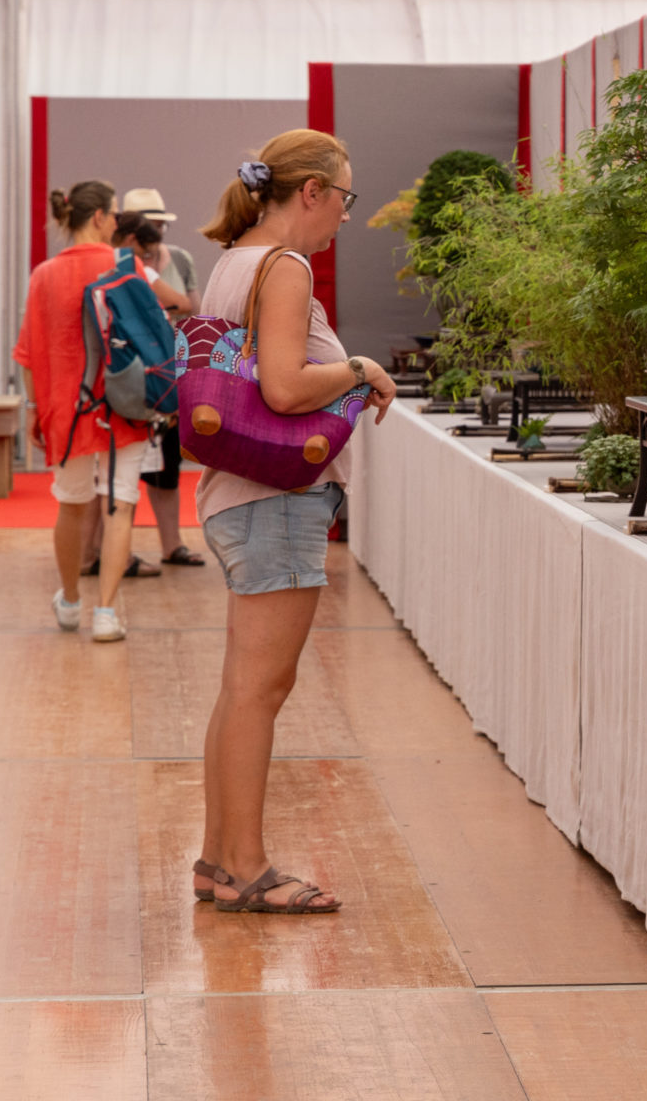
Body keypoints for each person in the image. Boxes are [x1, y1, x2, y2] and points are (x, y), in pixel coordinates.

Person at [194, 130, 396, 915]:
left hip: (242, 494)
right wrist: (359, 370)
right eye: (344, 198)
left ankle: (219, 860)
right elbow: (283, 387)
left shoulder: (235, 260)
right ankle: (247, 867)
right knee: (259, 691)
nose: (345, 215)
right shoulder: (284, 267)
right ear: (310, 192)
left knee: (241, 690)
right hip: (276, 498)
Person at [11, 180, 151, 643]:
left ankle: (71, 601)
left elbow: (27, 353)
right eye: (115, 214)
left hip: (67, 409)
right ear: (98, 217)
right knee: (120, 505)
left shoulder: (44, 274)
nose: (117, 222)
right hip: (124, 404)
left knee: (70, 505)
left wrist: (35, 409)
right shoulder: (127, 266)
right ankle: (106, 612)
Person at [111, 190, 204, 569]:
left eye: (161, 223)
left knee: (166, 466)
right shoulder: (117, 261)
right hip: (127, 373)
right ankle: (115, 551)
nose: (158, 230)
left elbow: (193, 309)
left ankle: (172, 544)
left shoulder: (178, 258)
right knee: (121, 470)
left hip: (168, 373)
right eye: (152, 223)